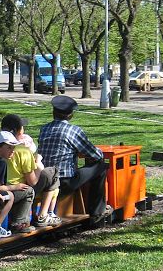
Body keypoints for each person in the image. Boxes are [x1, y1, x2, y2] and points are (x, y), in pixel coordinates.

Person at [37, 95, 111, 225]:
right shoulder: (73, 131)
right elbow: (96, 154)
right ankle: (97, 213)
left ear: (53, 112)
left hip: (45, 180)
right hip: (65, 182)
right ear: (71, 115)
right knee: (101, 167)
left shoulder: (44, 129)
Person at [1, 114, 62, 227]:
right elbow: (33, 182)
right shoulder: (23, 151)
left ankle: (40, 214)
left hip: (4, 187)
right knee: (52, 173)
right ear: (18, 131)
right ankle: (43, 215)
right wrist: (38, 162)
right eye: (22, 127)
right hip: (21, 189)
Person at [0, 131, 36, 233]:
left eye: (13, 148)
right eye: (9, 147)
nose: (13, 151)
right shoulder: (1, 163)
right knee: (29, 191)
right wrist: (15, 187)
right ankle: (17, 223)